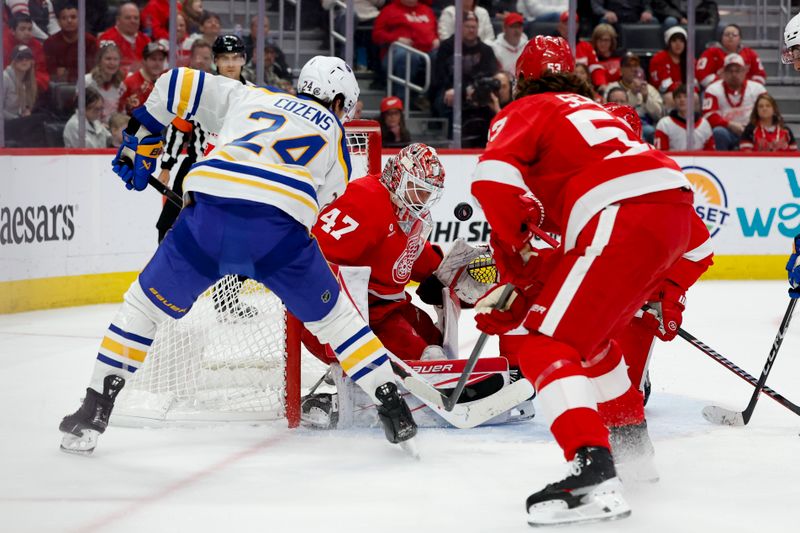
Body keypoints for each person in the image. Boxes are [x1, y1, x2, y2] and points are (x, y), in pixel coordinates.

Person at [58, 56, 418, 455]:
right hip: (279, 234)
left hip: (208, 216)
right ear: (337, 101)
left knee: (142, 308)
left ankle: (94, 408)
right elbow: (319, 205)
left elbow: (174, 82)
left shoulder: (250, 95)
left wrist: (142, 138)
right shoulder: (338, 141)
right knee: (337, 321)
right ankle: (392, 403)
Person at [471, 35, 700, 526]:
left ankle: (593, 471)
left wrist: (517, 253)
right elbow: (696, 243)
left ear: (523, 80)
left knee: (539, 342)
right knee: (590, 344)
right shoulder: (590, 112)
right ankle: (634, 450)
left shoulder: (530, 108)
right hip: (672, 206)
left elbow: (490, 180)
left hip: (620, 213)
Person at [157, 34, 250, 243]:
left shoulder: (252, 94)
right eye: (225, 58)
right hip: (195, 165)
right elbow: (178, 128)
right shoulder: (200, 90)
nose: (230, 64)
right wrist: (166, 166)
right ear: (215, 60)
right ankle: (166, 271)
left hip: (234, 171)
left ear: (244, 60)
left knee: (225, 227)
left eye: (235, 58)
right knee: (167, 223)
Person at [372, 0, 439, 100]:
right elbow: (376, 35)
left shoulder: (427, 10)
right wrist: (396, 38)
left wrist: (436, 39)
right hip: (398, 52)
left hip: (426, 51)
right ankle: (401, 99)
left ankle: (433, 99)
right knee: (408, 55)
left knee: (441, 54)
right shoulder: (389, 10)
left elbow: (435, 31)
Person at [702, 52, 766, 151]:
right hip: (726, 130)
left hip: (751, 130)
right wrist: (730, 124)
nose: (734, 74)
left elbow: (767, 112)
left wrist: (750, 127)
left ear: (744, 71)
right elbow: (709, 115)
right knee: (718, 132)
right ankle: (719, 162)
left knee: (762, 132)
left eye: (738, 71)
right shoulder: (713, 89)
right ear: (723, 73)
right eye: (730, 71)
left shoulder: (757, 89)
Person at [606, 52, 664, 143]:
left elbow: (659, 115)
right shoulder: (611, 88)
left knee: (652, 132)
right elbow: (606, 112)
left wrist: (646, 97)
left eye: (636, 65)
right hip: (619, 125)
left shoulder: (648, 88)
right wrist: (632, 94)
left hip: (645, 126)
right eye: (629, 66)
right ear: (621, 70)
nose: (633, 69)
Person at [696, 24, 766, 89]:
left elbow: (760, 75)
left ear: (740, 39)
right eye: (727, 34)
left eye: (734, 35)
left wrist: (748, 87)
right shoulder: (711, 52)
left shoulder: (750, 53)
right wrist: (719, 84)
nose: (730, 37)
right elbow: (701, 74)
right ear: (721, 38)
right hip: (717, 90)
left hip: (746, 92)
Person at [43, 3, 99, 83]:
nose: (69, 21)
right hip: (57, 85)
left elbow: (93, 69)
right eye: (64, 18)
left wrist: (68, 73)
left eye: (73, 17)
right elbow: (50, 71)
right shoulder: (50, 43)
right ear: (58, 22)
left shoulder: (91, 41)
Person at [555, 11, 608, 91]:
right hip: (560, 89)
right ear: (559, 26)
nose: (569, 28)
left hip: (584, 89)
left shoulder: (586, 47)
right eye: (566, 24)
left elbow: (596, 68)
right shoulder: (552, 47)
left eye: (573, 24)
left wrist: (601, 84)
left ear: (577, 26)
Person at [655, 84, 715, 150]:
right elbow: (661, 154)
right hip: (673, 160)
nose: (682, 100)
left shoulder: (704, 124)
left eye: (686, 96)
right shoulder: (664, 124)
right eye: (678, 97)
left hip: (700, 160)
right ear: (674, 101)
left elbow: (710, 154)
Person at [98, 3, 151, 74]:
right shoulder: (107, 38)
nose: (133, 21)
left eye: (136, 18)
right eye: (128, 18)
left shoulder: (146, 40)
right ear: (118, 20)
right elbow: (103, 67)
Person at [2, 14, 49, 94]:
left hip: (30, 89)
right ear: (13, 31)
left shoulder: (36, 45)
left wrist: (31, 83)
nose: (27, 33)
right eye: (22, 29)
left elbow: (41, 71)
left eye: (30, 29)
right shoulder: (3, 45)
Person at [119, 41, 168, 115]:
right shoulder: (129, 82)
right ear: (144, 61)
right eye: (153, 59)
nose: (157, 63)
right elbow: (119, 111)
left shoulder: (166, 82)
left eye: (161, 59)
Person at [86, 42, 126, 124]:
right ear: (99, 61)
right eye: (108, 59)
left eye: (115, 59)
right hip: (91, 128)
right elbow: (83, 112)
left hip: (113, 129)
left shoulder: (121, 85)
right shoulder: (87, 82)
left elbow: (121, 113)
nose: (112, 63)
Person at [649, 25, 688, 107]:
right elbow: (663, 85)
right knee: (671, 97)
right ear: (668, 43)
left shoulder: (689, 59)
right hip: (662, 93)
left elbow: (694, 82)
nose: (678, 44)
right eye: (674, 41)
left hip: (684, 92)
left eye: (681, 41)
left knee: (694, 96)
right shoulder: (659, 58)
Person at [651, 0, 719, 29]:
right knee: (671, 21)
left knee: (721, 27)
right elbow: (661, 5)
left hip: (698, 17)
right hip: (675, 17)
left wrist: (712, 21)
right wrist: (680, 17)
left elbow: (711, 5)